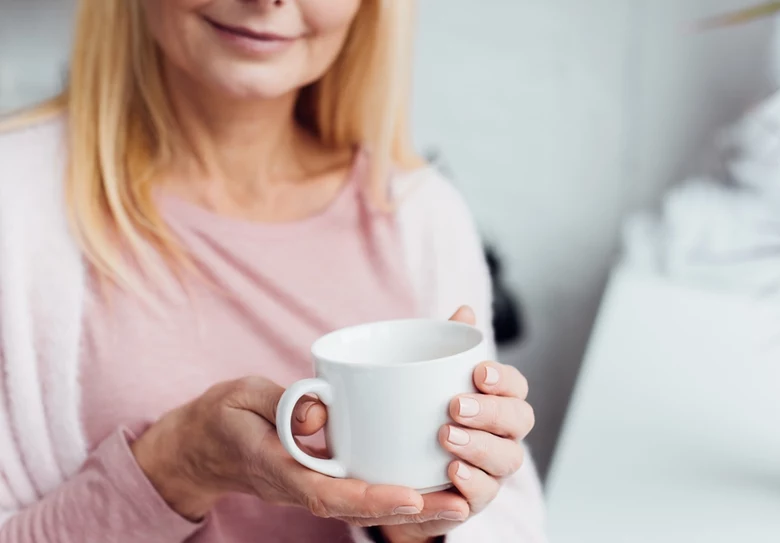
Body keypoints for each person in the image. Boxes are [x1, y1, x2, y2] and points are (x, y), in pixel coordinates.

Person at [0, 1, 547, 541]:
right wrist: (179, 467)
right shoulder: (17, 205)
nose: (267, 1)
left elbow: (507, 521)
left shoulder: (421, 215)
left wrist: (416, 526)